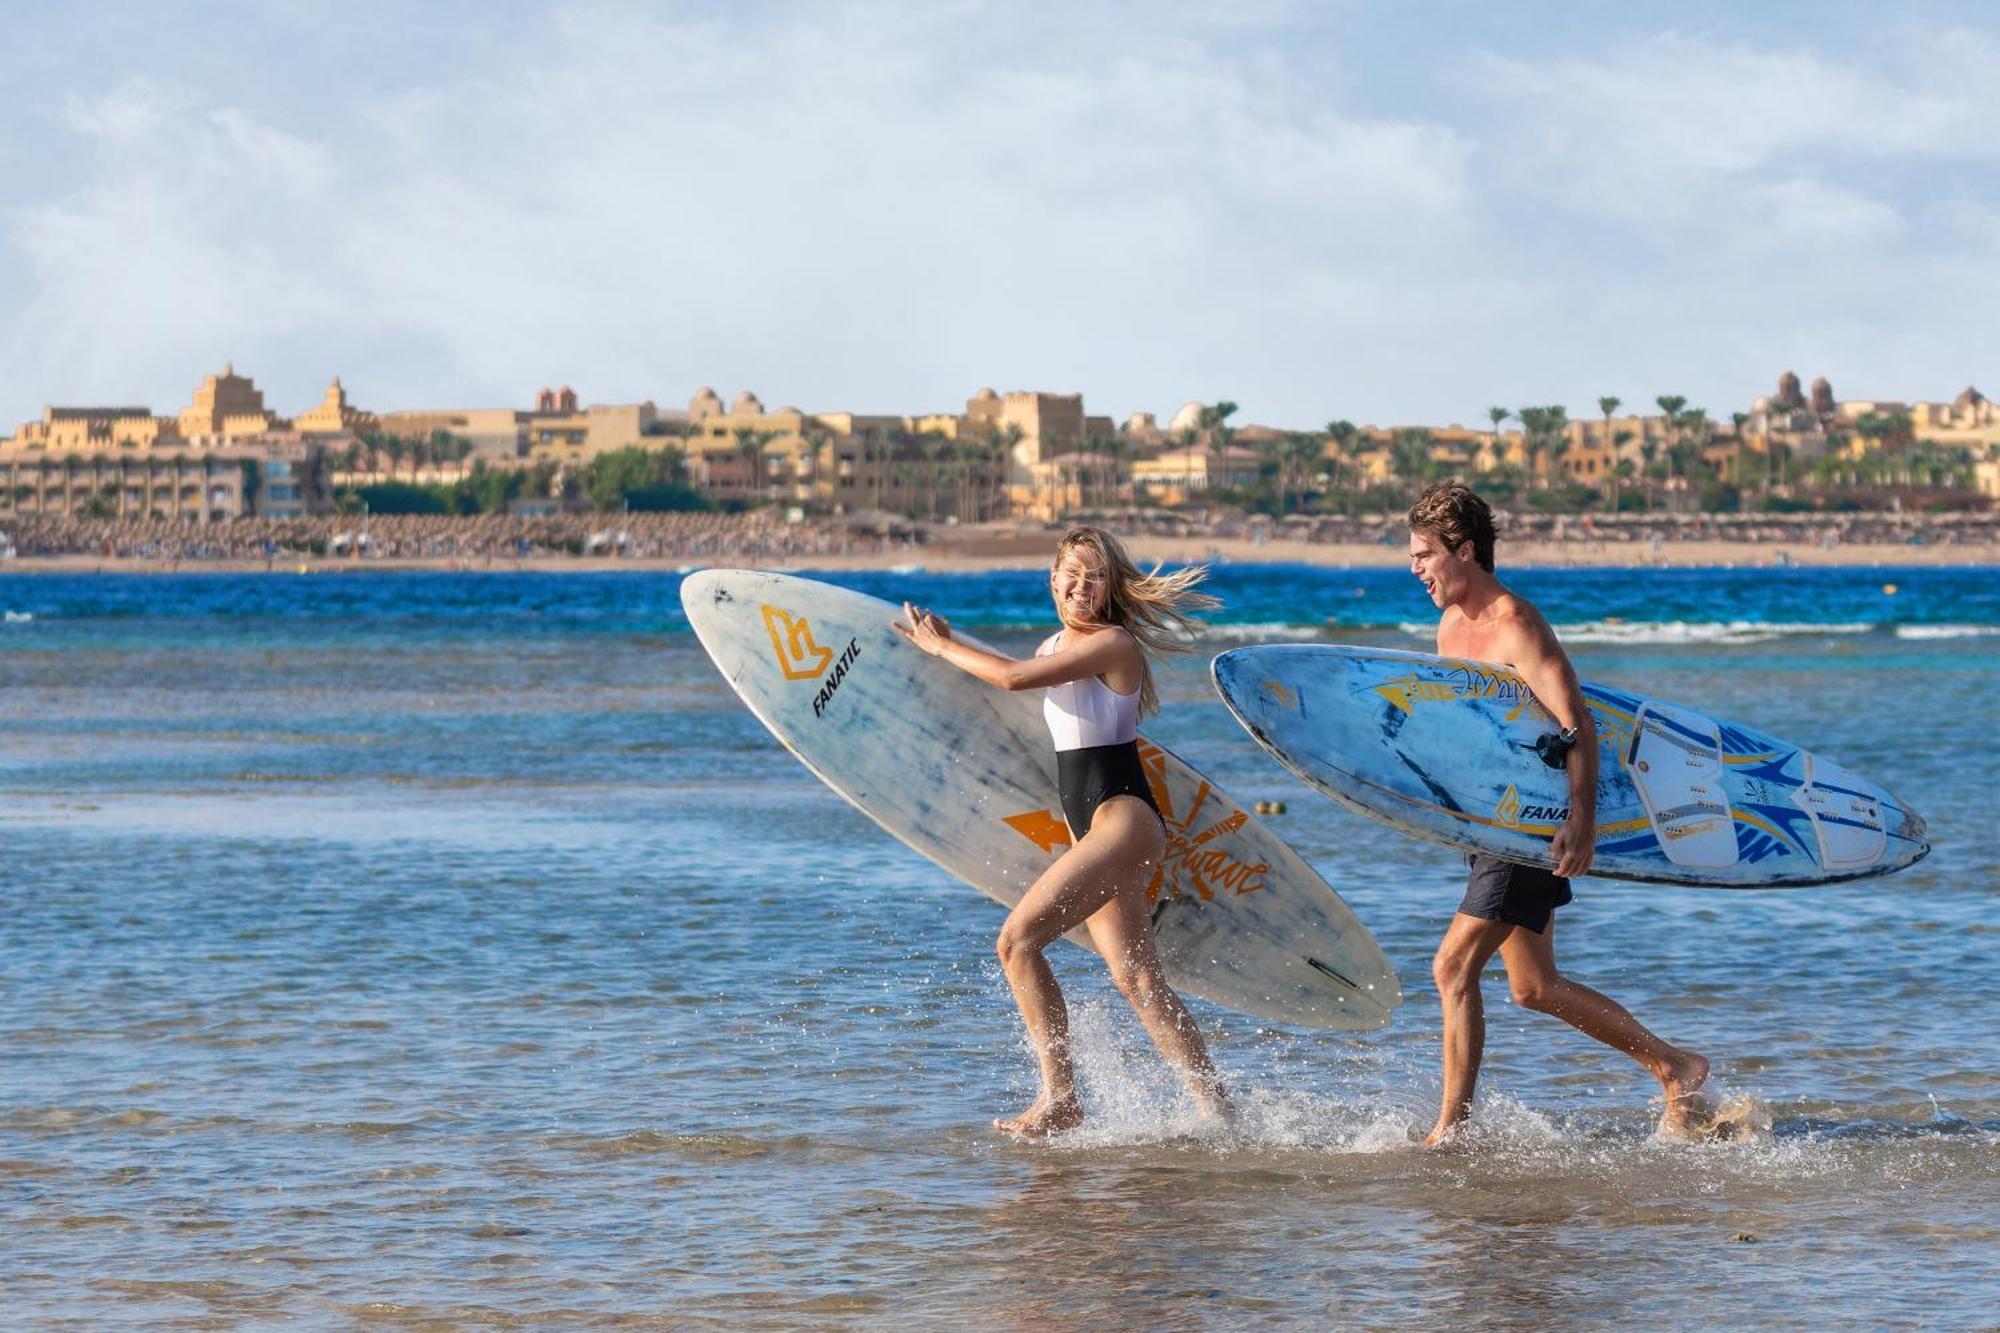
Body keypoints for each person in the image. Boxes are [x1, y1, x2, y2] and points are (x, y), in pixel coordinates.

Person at [893, 526, 1229, 1137]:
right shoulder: (1055, 645)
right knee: (1137, 981)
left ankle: (1061, 1097)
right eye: (1072, 573)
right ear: (1052, 579)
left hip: (1120, 818)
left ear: (1109, 589)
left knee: (1016, 942)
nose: (1082, 585)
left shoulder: (1114, 643)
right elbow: (1017, 692)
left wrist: (938, 648)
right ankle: (1219, 1115)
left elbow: (1013, 679)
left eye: (1096, 576)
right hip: (1098, 826)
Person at [1406, 482, 1710, 1144]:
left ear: (1465, 550)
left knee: (1451, 967)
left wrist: (1582, 818)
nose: (1416, 567)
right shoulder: (1451, 626)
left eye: (1426, 553)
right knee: (1534, 986)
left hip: (1532, 824)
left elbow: (1578, 725)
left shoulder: (1517, 625)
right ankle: (1676, 1066)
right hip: (1488, 822)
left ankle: (1448, 1133)